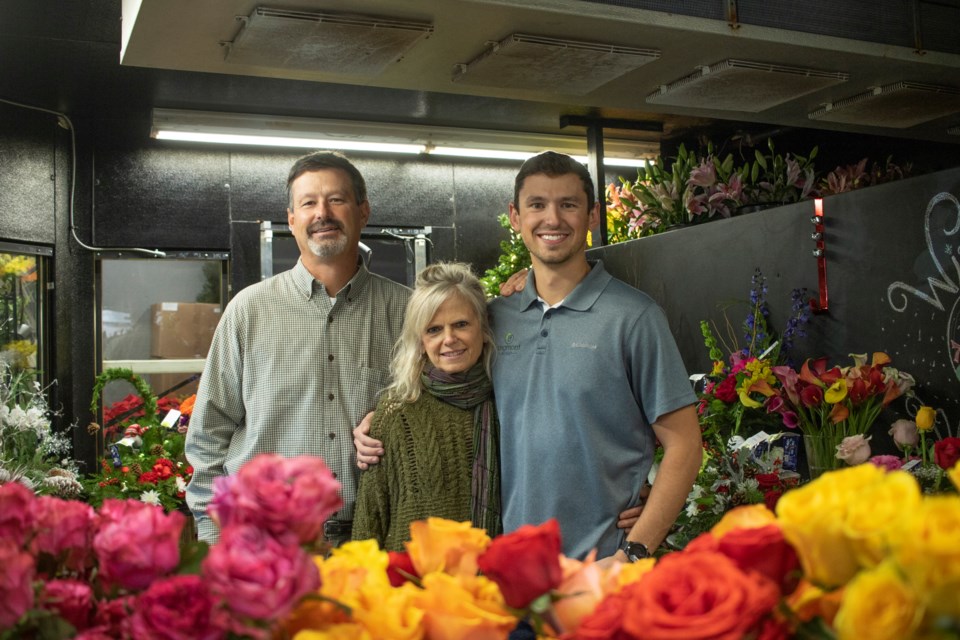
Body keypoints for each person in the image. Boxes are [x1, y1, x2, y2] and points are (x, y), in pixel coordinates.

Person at [356, 151, 701, 561]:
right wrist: (380, 423)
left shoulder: (635, 318)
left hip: (600, 567)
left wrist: (634, 551)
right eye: (537, 205)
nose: (552, 219)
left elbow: (684, 446)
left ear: (592, 215)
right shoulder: (495, 317)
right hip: (508, 572)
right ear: (516, 217)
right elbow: (441, 384)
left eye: (568, 205)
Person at [185, 151, 411, 544]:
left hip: (371, 544)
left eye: (336, 200)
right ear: (292, 221)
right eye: (308, 203)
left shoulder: (409, 313)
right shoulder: (248, 311)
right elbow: (209, 434)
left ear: (363, 212)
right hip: (264, 544)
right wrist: (212, 536)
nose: (322, 212)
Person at [352, 262, 500, 550]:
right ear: (420, 342)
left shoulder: (508, 402)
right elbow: (371, 517)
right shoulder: (397, 411)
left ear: (483, 328)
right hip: (412, 586)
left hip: (491, 588)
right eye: (434, 329)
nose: (449, 339)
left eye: (461, 324)